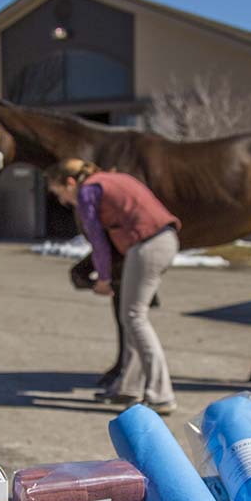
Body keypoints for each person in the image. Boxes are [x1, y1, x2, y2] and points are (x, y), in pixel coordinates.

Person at [45, 159, 181, 415]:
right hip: (163, 240)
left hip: (146, 247)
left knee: (134, 317)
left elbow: (97, 238)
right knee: (131, 317)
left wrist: (104, 278)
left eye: (60, 193)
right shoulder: (110, 179)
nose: (64, 201)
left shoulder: (87, 191)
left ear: (71, 182)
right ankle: (128, 387)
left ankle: (161, 394)